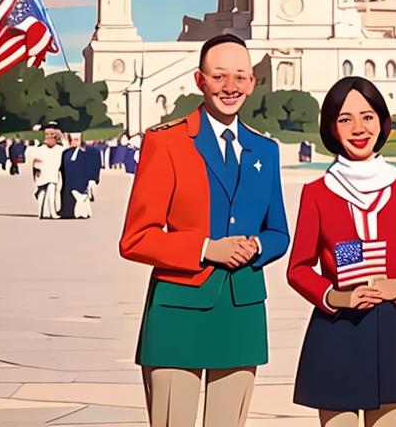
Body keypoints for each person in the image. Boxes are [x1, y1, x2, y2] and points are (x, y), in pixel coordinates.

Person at [119, 34, 289, 427]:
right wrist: (205, 248)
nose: (230, 87)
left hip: (241, 307)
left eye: (240, 77)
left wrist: (256, 247)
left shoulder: (265, 150)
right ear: (200, 80)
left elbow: (278, 232)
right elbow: (136, 238)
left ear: (252, 82)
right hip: (178, 307)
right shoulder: (167, 142)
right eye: (219, 76)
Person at [288, 76, 396, 427]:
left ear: (382, 121)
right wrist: (336, 297)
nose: (358, 128)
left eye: (367, 116)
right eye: (345, 119)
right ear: (331, 128)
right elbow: (298, 268)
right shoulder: (317, 192)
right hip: (336, 331)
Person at [60, 133, 98, 218]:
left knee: (82, 197)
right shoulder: (66, 153)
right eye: (71, 140)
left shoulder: (86, 153)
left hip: (81, 179)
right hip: (68, 179)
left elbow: (90, 167)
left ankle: (83, 213)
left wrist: (92, 179)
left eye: (76, 140)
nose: (73, 142)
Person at [31, 126, 64, 219]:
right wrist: (37, 170)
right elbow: (35, 162)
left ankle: (51, 212)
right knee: (43, 193)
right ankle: (44, 212)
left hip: (53, 174)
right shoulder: (41, 148)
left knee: (51, 192)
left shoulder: (59, 149)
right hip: (43, 174)